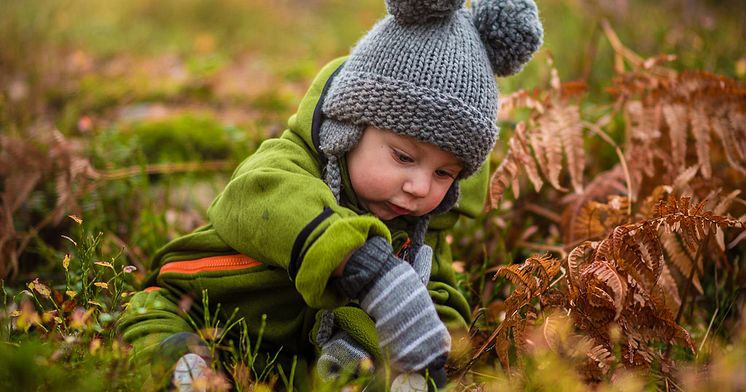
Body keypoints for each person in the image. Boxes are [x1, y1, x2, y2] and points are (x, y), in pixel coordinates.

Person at [117, 0, 542, 390]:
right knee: (153, 320)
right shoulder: (289, 163)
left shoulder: (419, 229)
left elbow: (439, 295)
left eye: (444, 173)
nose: (419, 187)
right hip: (204, 301)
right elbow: (254, 198)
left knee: (369, 368)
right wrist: (361, 262)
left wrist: (430, 346)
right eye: (403, 157)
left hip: (299, 355)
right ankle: (183, 367)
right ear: (349, 128)